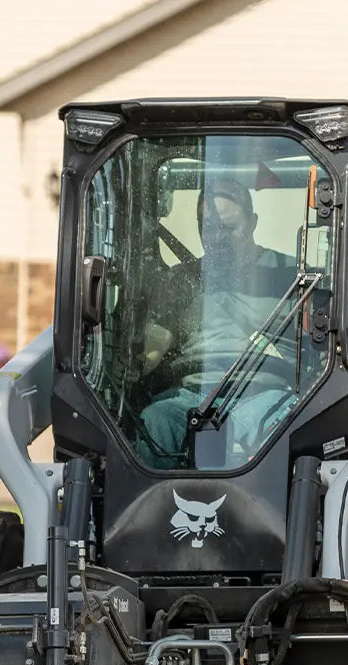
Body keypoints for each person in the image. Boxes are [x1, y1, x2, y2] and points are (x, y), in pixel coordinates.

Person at [137, 179, 302, 469]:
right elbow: (154, 348)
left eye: (228, 229)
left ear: (252, 223)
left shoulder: (289, 276)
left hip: (262, 391)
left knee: (283, 423)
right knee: (156, 420)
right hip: (190, 393)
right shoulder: (181, 281)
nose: (218, 239)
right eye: (209, 229)